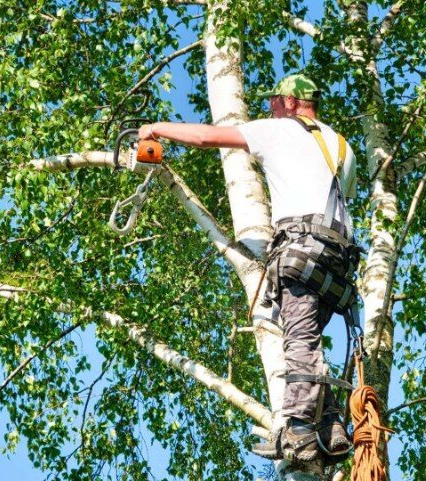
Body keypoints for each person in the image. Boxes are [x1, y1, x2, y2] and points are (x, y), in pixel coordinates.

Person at [138, 74, 358, 466]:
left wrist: (157, 129)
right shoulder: (343, 147)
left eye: (274, 101)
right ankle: (331, 425)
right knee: (308, 340)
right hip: (338, 262)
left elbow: (209, 138)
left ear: (291, 102)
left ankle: (301, 431)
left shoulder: (280, 130)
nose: (269, 108)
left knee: (299, 341)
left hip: (301, 252)